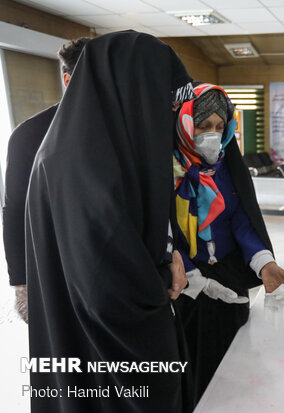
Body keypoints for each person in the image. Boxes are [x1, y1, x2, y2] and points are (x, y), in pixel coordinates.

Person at [25, 31, 196, 413]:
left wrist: (169, 254)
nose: (167, 113)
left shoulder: (97, 147)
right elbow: (107, 286)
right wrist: (159, 286)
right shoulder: (80, 164)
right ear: (131, 91)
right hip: (111, 355)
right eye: (161, 100)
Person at [172, 82, 284, 404]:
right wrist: (198, 283)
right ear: (185, 123)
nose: (212, 133)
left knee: (236, 355)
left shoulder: (227, 167)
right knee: (197, 366)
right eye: (203, 125)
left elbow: (241, 219)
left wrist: (262, 261)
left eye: (219, 126)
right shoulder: (168, 172)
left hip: (229, 274)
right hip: (186, 285)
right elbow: (164, 234)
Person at [3, 37, 89, 323]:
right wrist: (21, 283)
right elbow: (14, 210)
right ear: (68, 79)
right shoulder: (29, 136)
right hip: (51, 265)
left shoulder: (118, 132)